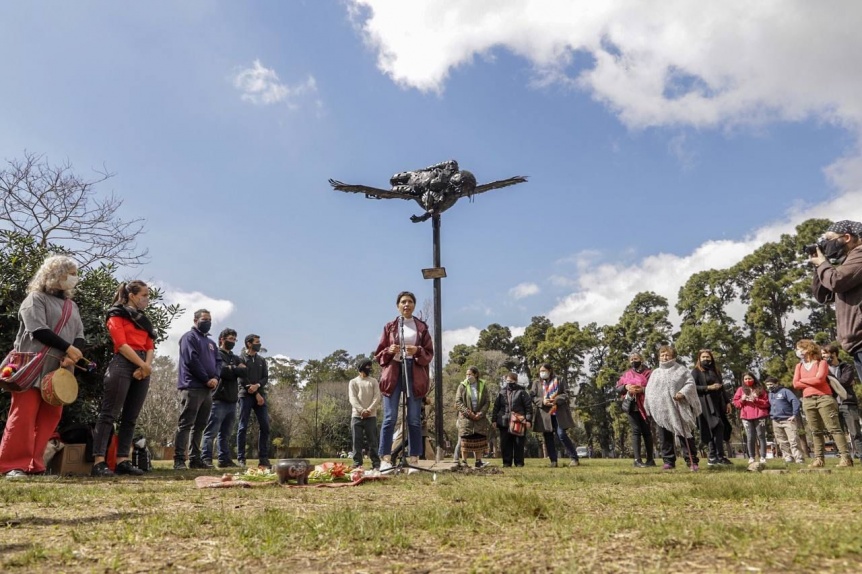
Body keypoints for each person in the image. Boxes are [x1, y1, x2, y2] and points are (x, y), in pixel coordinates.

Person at [0, 255, 85, 479]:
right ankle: (11, 465)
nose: (74, 279)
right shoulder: (34, 298)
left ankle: (35, 464)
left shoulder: (72, 305)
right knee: (23, 416)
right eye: (71, 273)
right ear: (57, 274)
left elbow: (80, 335)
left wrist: (73, 354)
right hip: (32, 365)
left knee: (50, 416)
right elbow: (37, 329)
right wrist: (68, 348)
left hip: (60, 368)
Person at [91, 281, 156, 477]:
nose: (147, 299)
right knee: (109, 413)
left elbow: (150, 344)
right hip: (123, 363)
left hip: (143, 367)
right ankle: (99, 461)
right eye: (144, 295)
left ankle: (122, 460)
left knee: (131, 417)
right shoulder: (115, 314)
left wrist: (146, 367)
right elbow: (121, 343)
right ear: (132, 295)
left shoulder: (144, 319)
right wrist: (141, 364)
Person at [374, 291, 434, 473]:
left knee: (414, 418)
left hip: (414, 372)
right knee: (390, 417)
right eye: (403, 302)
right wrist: (390, 350)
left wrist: (417, 350)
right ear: (397, 306)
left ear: (414, 305)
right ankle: (385, 458)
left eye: (409, 302)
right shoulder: (390, 327)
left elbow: (429, 354)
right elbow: (379, 355)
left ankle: (414, 459)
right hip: (393, 372)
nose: (406, 305)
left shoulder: (422, 327)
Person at [811, 220, 862, 376]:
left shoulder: (860, 254)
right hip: (857, 344)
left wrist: (823, 264)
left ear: (846, 237)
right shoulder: (848, 262)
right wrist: (819, 265)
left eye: (829, 239)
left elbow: (836, 281)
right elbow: (823, 295)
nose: (826, 244)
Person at [792, 339, 853, 468]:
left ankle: (845, 458)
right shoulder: (799, 366)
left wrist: (803, 380)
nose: (798, 351)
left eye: (799, 348)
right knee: (815, 431)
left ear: (808, 349)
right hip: (807, 400)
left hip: (824, 399)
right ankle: (819, 459)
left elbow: (820, 380)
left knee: (834, 428)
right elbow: (795, 384)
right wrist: (810, 380)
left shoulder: (822, 363)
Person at [173, 309, 221, 470]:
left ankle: (195, 459)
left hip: (207, 390)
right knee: (186, 424)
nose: (207, 322)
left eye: (210, 320)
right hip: (192, 386)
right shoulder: (189, 337)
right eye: (205, 319)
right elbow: (191, 359)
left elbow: (218, 362)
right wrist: (206, 379)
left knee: (200, 425)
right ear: (196, 320)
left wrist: (215, 378)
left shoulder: (212, 343)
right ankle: (179, 459)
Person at [643, 345, 702, 471]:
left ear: (673, 356)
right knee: (664, 436)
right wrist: (652, 403)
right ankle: (669, 461)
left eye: (667, 355)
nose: (664, 357)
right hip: (662, 410)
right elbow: (649, 390)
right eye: (662, 355)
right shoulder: (655, 373)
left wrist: (682, 393)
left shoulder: (681, 370)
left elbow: (690, 383)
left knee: (684, 433)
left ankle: (691, 460)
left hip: (679, 407)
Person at [201, 328, 245, 469]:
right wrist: (233, 369)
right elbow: (223, 372)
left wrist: (232, 369)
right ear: (222, 339)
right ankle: (206, 458)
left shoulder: (235, 357)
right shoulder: (216, 354)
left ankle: (224, 459)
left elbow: (244, 370)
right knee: (211, 432)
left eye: (234, 339)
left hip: (232, 400)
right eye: (230, 339)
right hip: (218, 399)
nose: (232, 342)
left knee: (225, 434)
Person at [530, 363, 581, 468]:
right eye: (541, 371)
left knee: (561, 434)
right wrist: (542, 401)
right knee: (548, 436)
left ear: (550, 370)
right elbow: (532, 396)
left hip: (558, 412)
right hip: (545, 413)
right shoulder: (536, 383)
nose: (542, 373)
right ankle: (553, 461)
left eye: (544, 371)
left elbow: (566, 394)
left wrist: (556, 400)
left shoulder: (559, 380)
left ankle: (574, 458)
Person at [691, 349, 733, 466]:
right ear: (699, 359)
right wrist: (708, 388)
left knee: (719, 428)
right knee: (714, 427)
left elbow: (722, 387)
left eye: (708, 357)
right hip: (704, 404)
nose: (706, 359)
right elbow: (692, 387)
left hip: (718, 403)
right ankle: (714, 456)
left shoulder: (716, 371)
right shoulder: (696, 372)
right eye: (703, 357)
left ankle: (717, 456)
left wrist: (727, 402)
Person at [822, 343, 862, 459]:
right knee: (837, 431)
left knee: (855, 431)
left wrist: (830, 380)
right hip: (832, 403)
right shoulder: (823, 368)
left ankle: (860, 454)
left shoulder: (846, 367)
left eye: (825, 353)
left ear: (833, 354)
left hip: (848, 403)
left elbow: (845, 381)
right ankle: (843, 454)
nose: (823, 356)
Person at [237, 333, 271, 469]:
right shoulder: (241, 358)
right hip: (245, 395)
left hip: (260, 396)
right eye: (256, 342)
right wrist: (252, 389)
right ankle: (241, 459)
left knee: (265, 426)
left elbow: (265, 377)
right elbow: (241, 377)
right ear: (249, 343)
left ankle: (263, 459)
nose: (259, 344)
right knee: (242, 426)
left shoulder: (262, 361)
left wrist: (257, 387)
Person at [615, 352, 656, 468]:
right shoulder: (626, 374)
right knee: (636, 431)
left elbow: (654, 387)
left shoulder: (649, 373)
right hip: (632, 405)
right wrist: (626, 387)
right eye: (632, 359)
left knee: (647, 432)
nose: (634, 361)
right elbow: (618, 388)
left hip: (646, 404)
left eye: (636, 358)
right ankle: (637, 460)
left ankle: (650, 459)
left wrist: (642, 390)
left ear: (641, 359)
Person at [492, 372, 533, 467]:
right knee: (505, 443)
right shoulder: (501, 392)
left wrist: (528, 420)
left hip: (518, 421)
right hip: (504, 421)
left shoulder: (522, 392)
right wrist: (494, 420)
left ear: (516, 381)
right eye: (507, 381)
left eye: (511, 381)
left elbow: (528, 407)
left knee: (519, 443)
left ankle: (519, 463)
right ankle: (506, 462)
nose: (509, 382)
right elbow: (496, 407)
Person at [455, 366, 491, 468]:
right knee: (465, 439)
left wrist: (481, 413)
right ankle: (464, 462)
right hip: (466, 417)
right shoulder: (462, 386)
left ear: (475, 374)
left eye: (470, 374)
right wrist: (468, 412)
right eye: (467, 374)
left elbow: (487, 402)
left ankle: (478, 461)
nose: (468, 376)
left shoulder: (482, 386)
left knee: (479, 438)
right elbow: (458, 401)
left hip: (479, 417)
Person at [348, 358, 381, 470]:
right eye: (367, 366)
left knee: (373, 441)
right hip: (356, 416)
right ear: (360, 368)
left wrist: (369, 410)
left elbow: (377, 397)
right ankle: (357, 464)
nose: (369, 369)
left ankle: (376, 464)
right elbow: (352, 398)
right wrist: (361, 410)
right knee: (356, 441)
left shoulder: (373, 381)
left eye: (370, 366)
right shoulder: (353, 382)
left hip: (371, 416)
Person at [732, 372, 770, 464]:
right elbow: (736, 403)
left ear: (754, 379)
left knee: (761, 436)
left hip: (760, 415)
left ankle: (763, 457)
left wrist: (756, 400)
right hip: (746, 416)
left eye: (750, 378)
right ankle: (752, 457)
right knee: (750, 437)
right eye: (746, 379)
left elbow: (767, 403)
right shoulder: (740, 390)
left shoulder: (760, 389)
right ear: (743, 380)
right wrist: (742, 399)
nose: (748, 381)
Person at [764, 376, 804, 463]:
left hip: (788, 419)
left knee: (793, 440)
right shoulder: (770, 394)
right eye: (767, 385)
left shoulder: (785, 391)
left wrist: (794, 414)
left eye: (771, 384)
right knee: (781, 441)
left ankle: (799, 458)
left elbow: (795, 401)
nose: (769, 386)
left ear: (776, 383)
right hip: (776, 420)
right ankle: (788, 457)